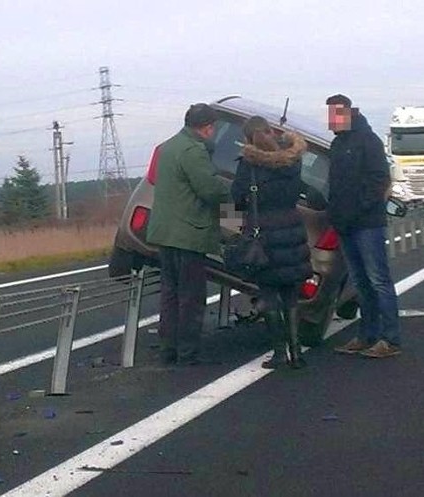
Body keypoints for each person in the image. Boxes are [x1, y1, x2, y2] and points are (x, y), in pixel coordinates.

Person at [147, 103, 232, 366]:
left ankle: (168, 349)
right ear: (207, 127)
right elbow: (209, 190)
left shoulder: (167, 147)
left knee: (170, 294)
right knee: (191, 297)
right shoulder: (193, 151)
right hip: (188, 234)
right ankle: (188, 353)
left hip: (165, 232)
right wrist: (236, 200)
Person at [231, 116, 312, 369]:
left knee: (268, 295)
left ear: (248, 138)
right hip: (292, 230)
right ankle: (296, 352)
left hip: (263, 234)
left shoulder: (249, 164)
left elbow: (236, 198)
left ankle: (279, 353)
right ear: (272, 133)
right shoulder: (293, 161)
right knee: (290, 294)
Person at [325, 94, 402, 358]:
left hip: (367, 223)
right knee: (360, 283)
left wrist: (358, 209)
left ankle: (389, 339)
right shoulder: (337, 145)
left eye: (334, 115)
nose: (330, 121)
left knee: (378, 279)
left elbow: (379, 178)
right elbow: (335, 186)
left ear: (347, 112)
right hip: (345, 225)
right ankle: (367, 334)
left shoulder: (367, 141)